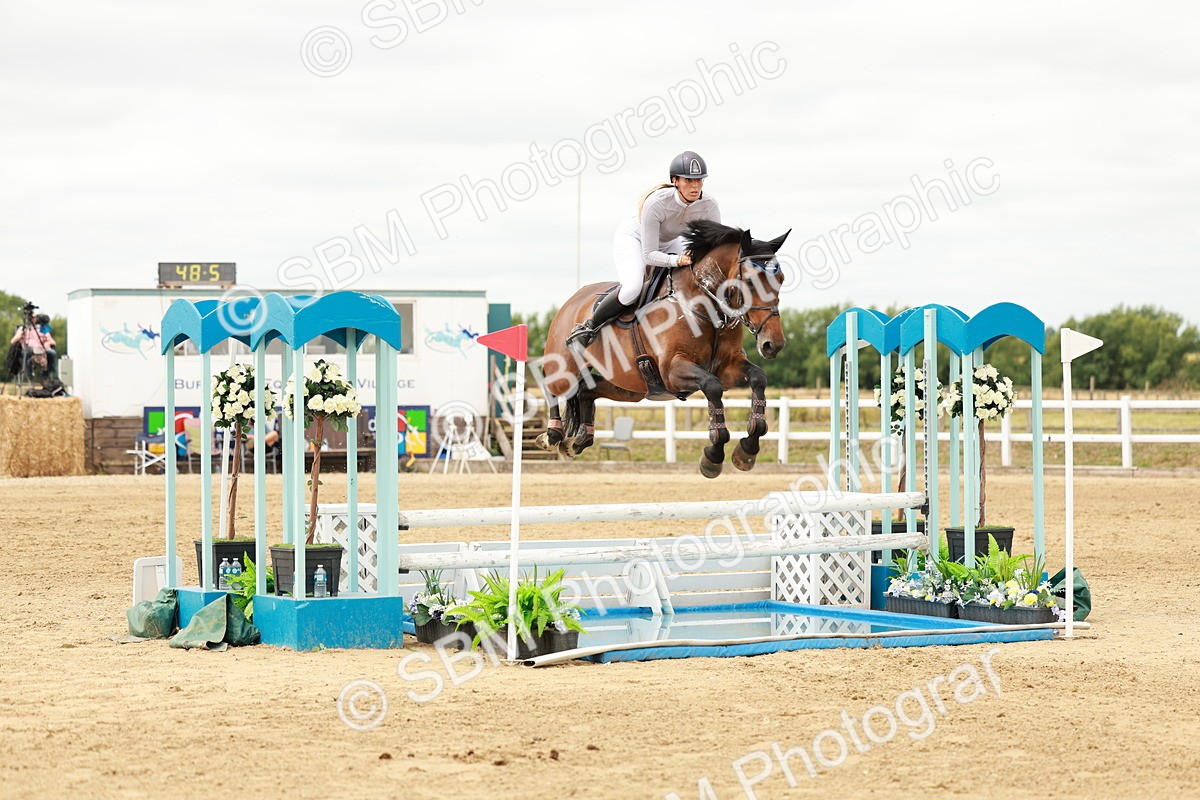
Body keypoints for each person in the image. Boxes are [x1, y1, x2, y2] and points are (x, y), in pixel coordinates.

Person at [565, 150, 722, 350]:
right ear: (675, 181)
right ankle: (589, 327)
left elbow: (714, 247)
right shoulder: (656, 203)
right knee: (632, 288)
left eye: (699, 180)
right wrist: (677, 261)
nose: (695, 186)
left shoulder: (709, 205)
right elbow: (649, 255)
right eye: (689, 180)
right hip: (636, 239)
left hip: (670, 241)